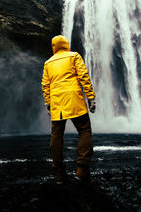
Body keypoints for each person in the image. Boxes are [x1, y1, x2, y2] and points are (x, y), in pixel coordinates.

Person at [41, 35, 96, 184]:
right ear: (66, 44)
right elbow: (83, 76)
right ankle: (82, 170)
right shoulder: (74, 56)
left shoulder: (48, 63)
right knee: (84, 131)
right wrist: (90, 97)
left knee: (56, 136)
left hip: (57, 103)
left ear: (53, 47)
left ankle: (59, 174)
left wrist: (48, 103)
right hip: (74, 100)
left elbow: (45, 86)